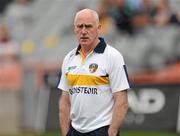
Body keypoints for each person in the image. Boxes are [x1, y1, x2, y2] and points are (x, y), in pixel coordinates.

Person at [58, 8, 130, 136]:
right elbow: (65, 101)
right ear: (74, 29)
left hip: (102, 130)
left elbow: (122, 101)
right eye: (80, 26)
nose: (83, 31)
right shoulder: (69, 58)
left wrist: (112, 132)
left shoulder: (113, 56)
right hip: (75, 131)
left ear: (99, 28)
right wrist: (66, 133)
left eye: (88, 26)